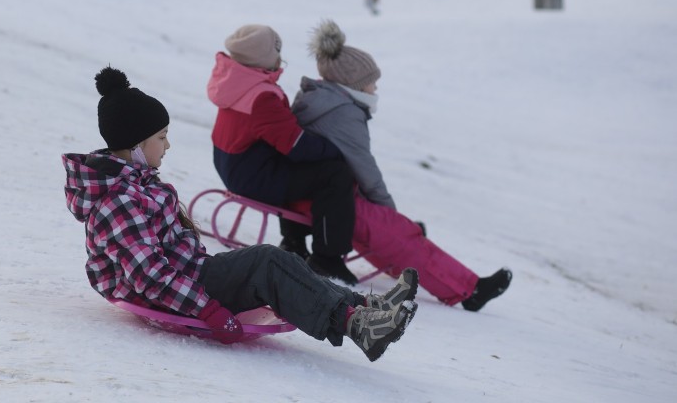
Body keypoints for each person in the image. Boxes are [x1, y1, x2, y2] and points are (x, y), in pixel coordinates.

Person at [62, 65, 419, 361]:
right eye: (162, 137)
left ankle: (368, 308)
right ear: (136, 144)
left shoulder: (136, 184)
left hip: (192, 274)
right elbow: (148, 274)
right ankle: (357, 325)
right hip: (176, 290)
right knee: (267, 263)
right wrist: (206, 310)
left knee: (279, 262)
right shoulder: (119, 201)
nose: (167, 145)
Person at [291, 21, 513, 311]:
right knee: (398, 235)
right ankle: (469, 291)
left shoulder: (319, 99)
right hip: (324, 199)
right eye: (372, 80)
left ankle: (460, 282)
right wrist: (390, 214)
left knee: (393, 232)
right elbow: (364, 169)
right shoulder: (343, 113)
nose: (376, 86)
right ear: (354, 84)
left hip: (318, 192)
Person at [207, 25, 362, 285]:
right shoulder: (262, 96)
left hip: (233, 165)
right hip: (252, 175)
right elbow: (295, 145)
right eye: (278, 53)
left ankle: (294, 242)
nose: (281, 59)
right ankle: (328, 257)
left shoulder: (236, 81)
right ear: (265, 58)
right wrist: (336, 150)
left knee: (299, 167)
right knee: (335, 174)